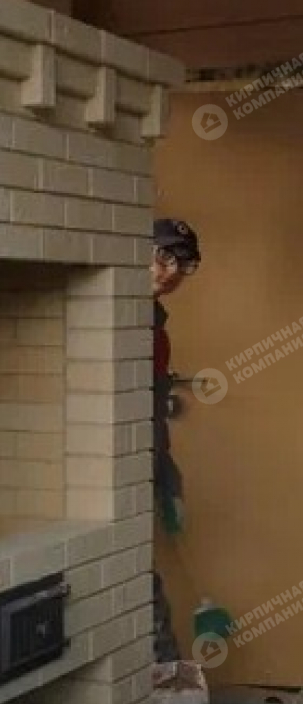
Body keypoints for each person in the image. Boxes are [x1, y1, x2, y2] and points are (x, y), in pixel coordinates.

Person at [151, 217, 200, 663]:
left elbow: (151, 411)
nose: (171, 272)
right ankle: (164, 675)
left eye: (183, 265)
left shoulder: (156, 326)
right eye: (164, 257)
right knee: (141, 580)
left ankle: (166, 676)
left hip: (144, 459)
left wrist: (168, 478)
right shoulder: (117, 313)